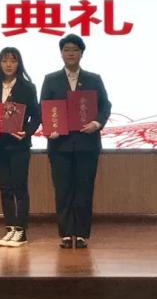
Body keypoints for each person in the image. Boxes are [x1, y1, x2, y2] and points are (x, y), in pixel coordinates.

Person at [40, 34, 111, 249]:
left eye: (74, 50)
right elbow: (44, 108)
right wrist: (50, 129)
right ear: (61, 53)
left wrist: (97, 123)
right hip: (59, 145)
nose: (70, 53)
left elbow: (105, 106)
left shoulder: (93, 79)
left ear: (81, 53)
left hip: (86, 144)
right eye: (66, 50)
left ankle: (81, 234)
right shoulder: (51, 79)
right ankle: (65, 233)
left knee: (84, 189)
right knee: (63, 190)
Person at [0, 47, 41, 247]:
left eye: (13, 60)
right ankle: (10, 228)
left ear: (19, 63)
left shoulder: (27, 87)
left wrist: (26, 131)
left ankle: (21, 230)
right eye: (5, 60)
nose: (8, 64)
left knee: (19, 187)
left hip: (19, 145)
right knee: (5, 188)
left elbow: (36, 116)